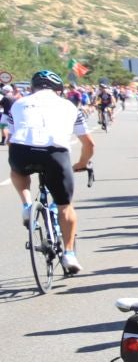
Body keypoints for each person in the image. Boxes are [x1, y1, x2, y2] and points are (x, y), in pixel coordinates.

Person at [7, 69, 95, 274]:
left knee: (17, 171)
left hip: (22, 151)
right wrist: (82, 162)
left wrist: (18, 160)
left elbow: (12, 139)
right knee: (65, 207)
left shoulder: (19, 103)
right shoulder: (70, 106)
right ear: (59, 90)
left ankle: (27, 205)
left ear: (32, 87)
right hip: (56, 154)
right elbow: (89, 143)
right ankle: (69, 254)